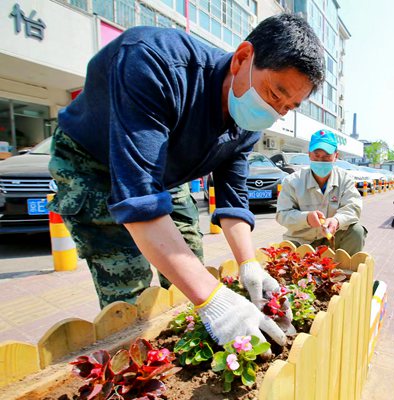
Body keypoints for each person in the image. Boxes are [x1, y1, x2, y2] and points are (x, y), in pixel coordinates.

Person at [48, 14, 324, 346]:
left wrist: (249, 264)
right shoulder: (153, 61)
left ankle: (184, 347)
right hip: (94, 162)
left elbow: (233, 200)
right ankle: (136, 369)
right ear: (242, 58)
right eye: (273, 93)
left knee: (187, 264)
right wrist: (216, 301)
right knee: (128, 285)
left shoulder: (247, 124)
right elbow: (140, 200)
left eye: (288, 106)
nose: (274, 110)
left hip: (162, 171)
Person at [275, 129, 366, 255]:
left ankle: (346, 271)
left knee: (357, 231)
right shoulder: (292, 181)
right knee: (287, 260)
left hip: (333, 238)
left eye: (326, 156)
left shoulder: (345, 179)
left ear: (336, 156)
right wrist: (306, 218)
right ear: (309, 155)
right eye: (316, 155)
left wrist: (337, 220)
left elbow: (353, 207)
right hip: (302, 240)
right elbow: (282, 215)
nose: (321, 160)